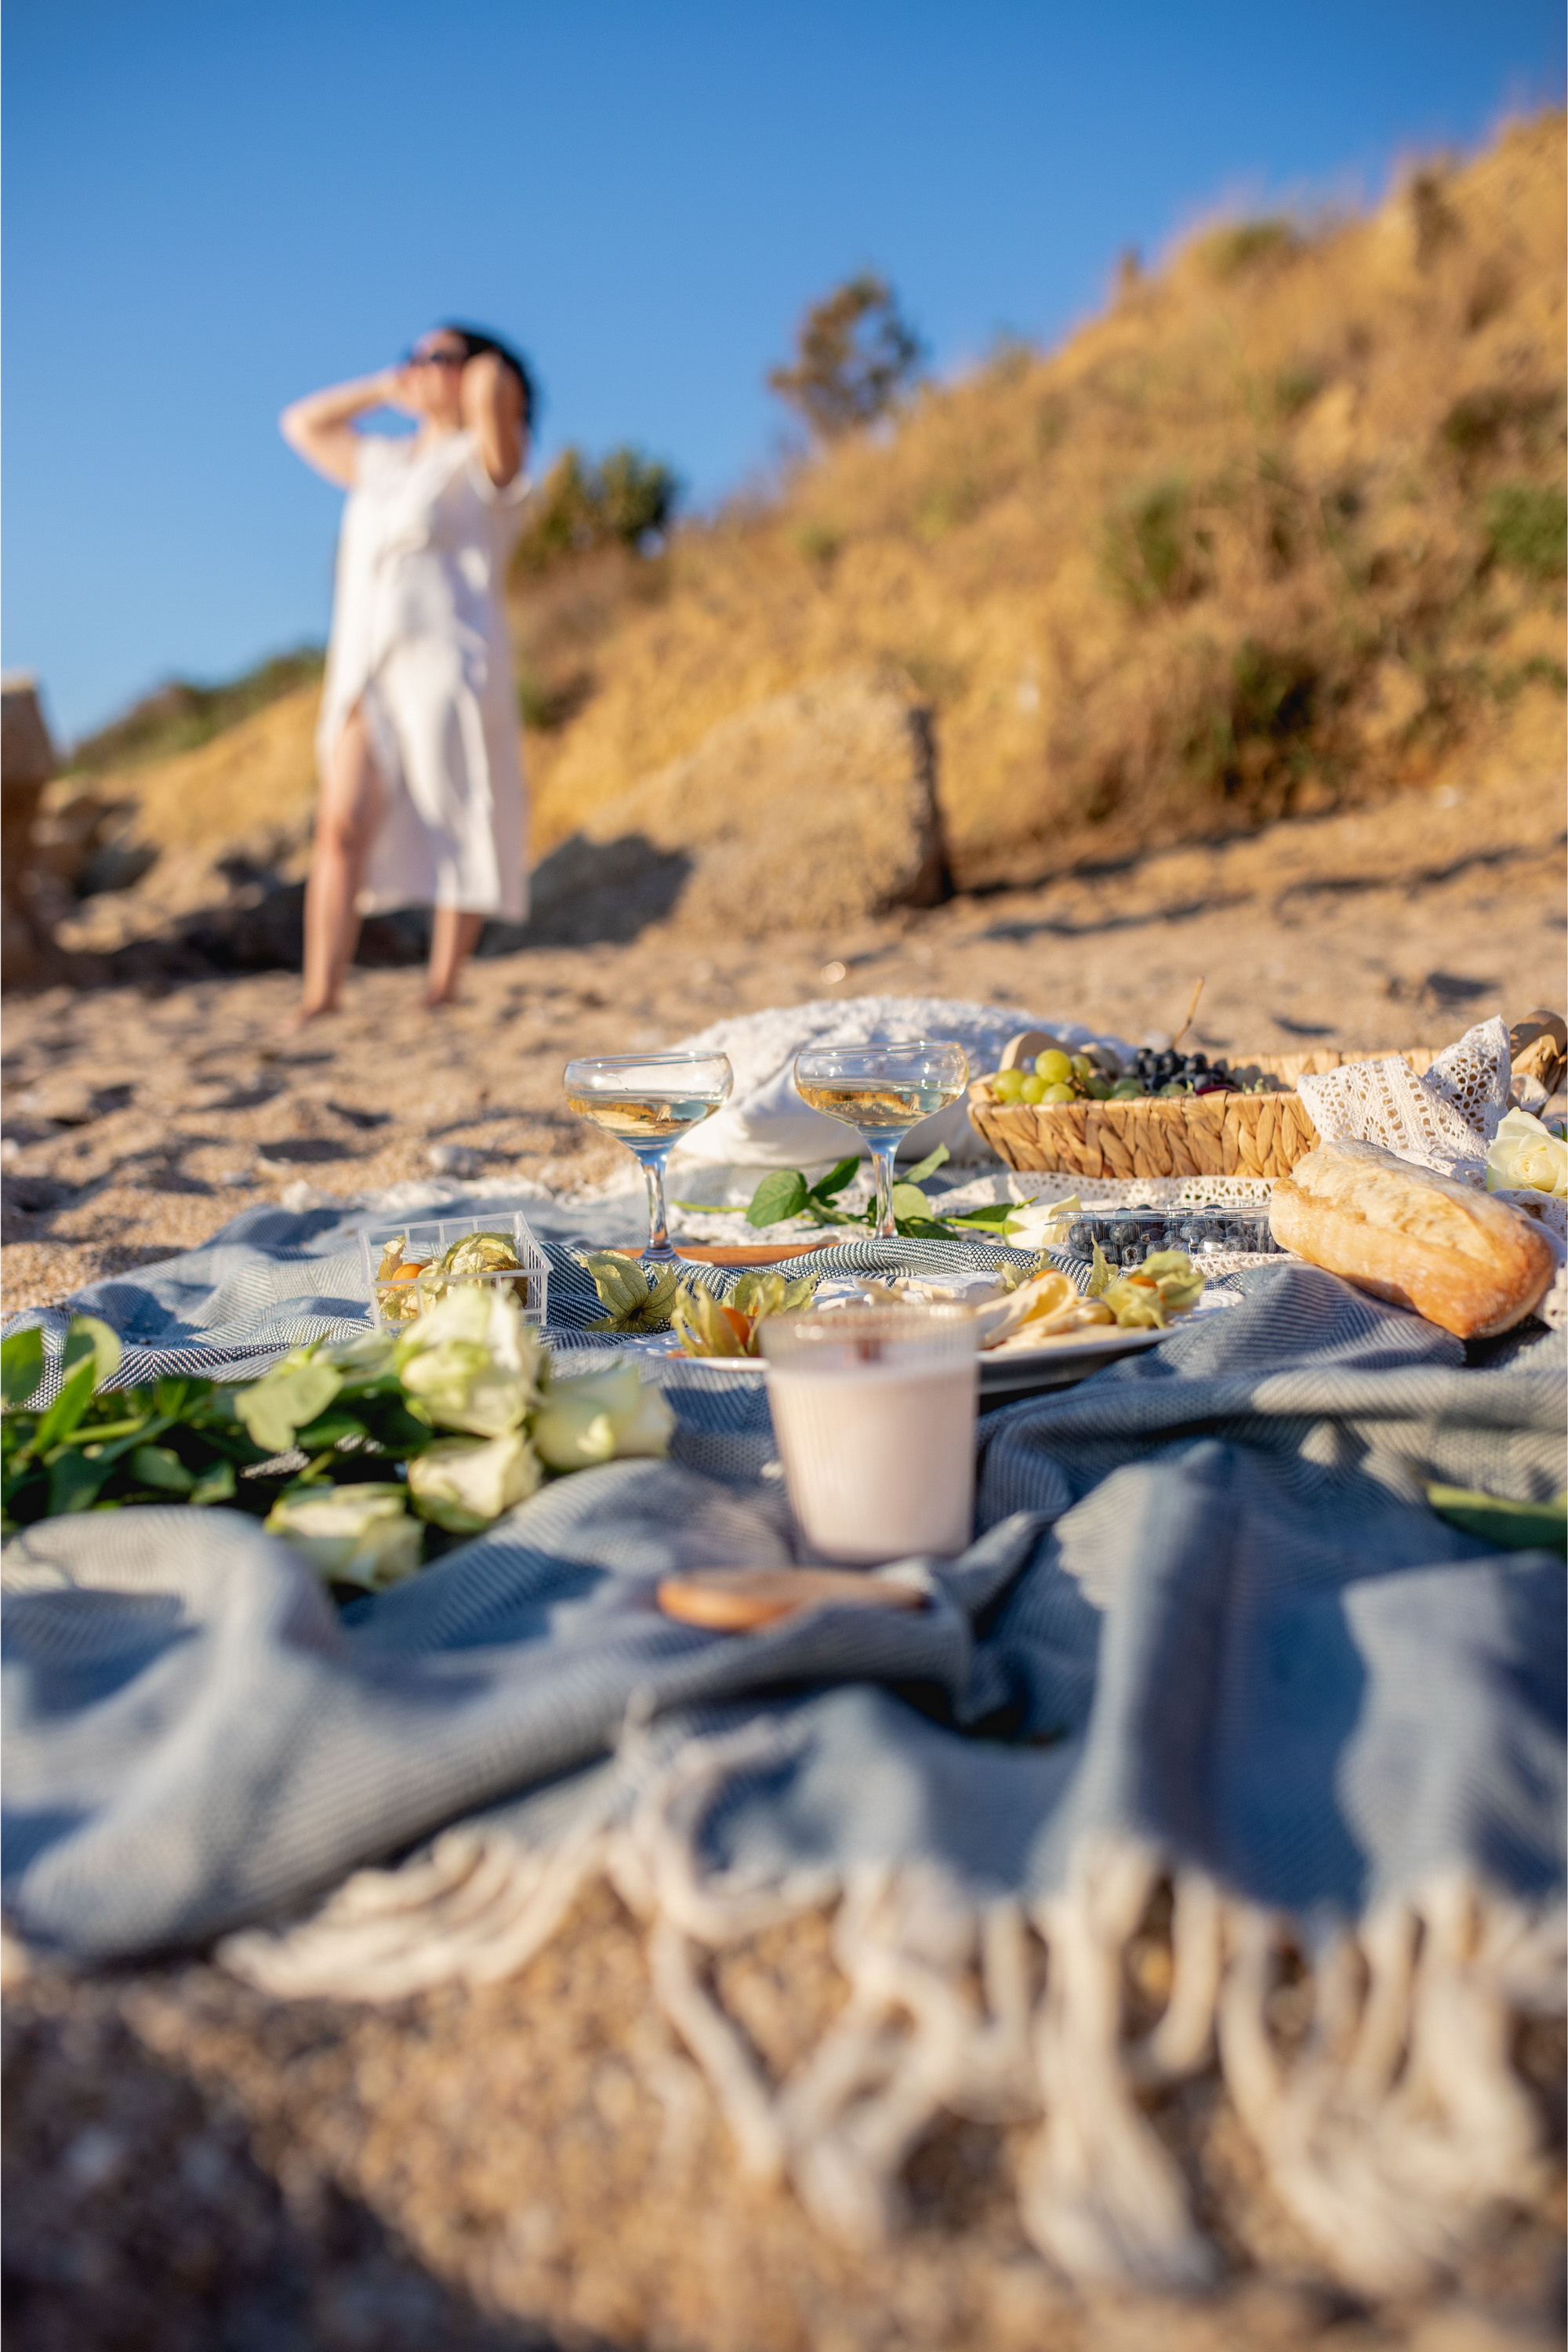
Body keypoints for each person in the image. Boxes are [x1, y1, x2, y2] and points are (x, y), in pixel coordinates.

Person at [280, 325, 535, 1019]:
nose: (421, 368)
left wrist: (484, 381)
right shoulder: (383, 461)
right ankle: (321, 992)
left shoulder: (484, 457)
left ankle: (442, 985)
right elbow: (300, 422)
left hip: (450, 660)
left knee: (460, 809)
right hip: (364, 661)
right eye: (415, 356)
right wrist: (387, 386)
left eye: (439, 358)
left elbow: (499, 424)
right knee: (339, 823)